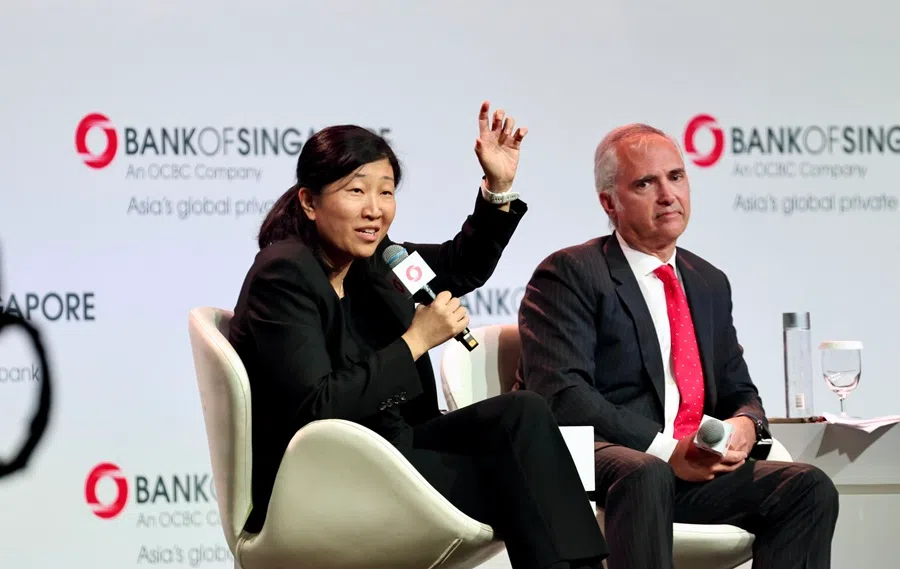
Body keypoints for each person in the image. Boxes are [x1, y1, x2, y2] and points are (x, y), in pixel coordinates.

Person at [227, 101, 608, 569]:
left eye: (386, 192)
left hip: (396, 448)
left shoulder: (376, 260)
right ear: (309, 202)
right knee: (522, 476)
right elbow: (316, 407)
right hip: (326, 477)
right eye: (355, 191)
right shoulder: (283, 274)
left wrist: (498, 189)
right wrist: (416, 340)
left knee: (523, 413)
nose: (374, 210)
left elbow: (459, 265)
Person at [515, 123, 839, 569]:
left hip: (689, 470)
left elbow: (741, 391)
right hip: (603, 461)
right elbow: (563, 396)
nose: (668, 195)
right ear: (609, 202)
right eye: (645, 183)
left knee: (808, 488)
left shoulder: (708, 282)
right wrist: (666, 452)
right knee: (646, 473)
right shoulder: (571, 272)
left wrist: (746, 425)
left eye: (676, 177)